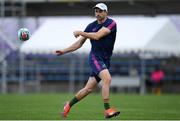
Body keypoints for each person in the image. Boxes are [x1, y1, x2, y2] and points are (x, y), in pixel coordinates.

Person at [55, 3, 120, 118]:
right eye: (96, 11)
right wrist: (64, 51)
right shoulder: (91, 26)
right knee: (107, 79)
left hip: (105, 60)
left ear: (106, 12)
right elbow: (79, 44)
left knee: (88, 89)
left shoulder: (111, 23)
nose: (98, 13)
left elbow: (97, 36)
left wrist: (81, 32)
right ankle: (108, 110)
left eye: (100, 11)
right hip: (95, 58)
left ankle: (68, 105)